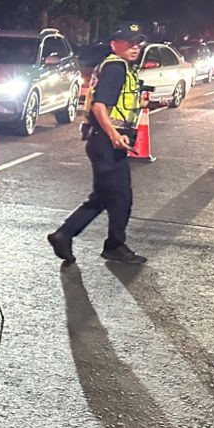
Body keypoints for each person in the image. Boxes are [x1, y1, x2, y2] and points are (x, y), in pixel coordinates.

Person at [48, 22, 148, 266]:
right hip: (106, 142)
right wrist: (114, 135)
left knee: (104, 197)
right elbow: (99, 106)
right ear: (114, 44)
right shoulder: (116, 67)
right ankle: (113, 245)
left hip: (106, 142)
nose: (135, 47)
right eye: (129, 43)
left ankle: (65, 235)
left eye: (138, 43)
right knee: (120, 197)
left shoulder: (120, 67)